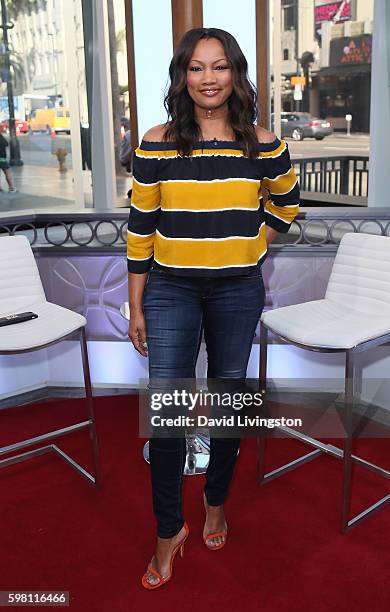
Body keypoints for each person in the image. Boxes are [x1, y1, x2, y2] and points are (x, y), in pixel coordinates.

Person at [126, 27, 300, 590]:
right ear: (183, 76)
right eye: (197, 68)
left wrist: (255, 243)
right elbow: (140, 230)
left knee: (228, 402)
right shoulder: (155, 143)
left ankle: (217, 503)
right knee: (169, 413)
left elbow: (288, 203)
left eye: (220, 67)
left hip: (237, 289)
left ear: (235, 74)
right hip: (170, 289)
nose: (209, 79)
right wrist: (136, 306)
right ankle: (168, 530)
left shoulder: (264, 144)